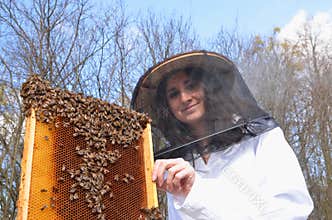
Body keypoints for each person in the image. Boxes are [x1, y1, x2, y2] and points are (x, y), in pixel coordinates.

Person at [131, 51, 313, 219]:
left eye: (191, 86)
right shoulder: (176, 169)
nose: (185, 98)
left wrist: (196, 194)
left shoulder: (262, 137)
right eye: (174, 94)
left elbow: (291, 211)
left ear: (208, 89)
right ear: (167, 107)